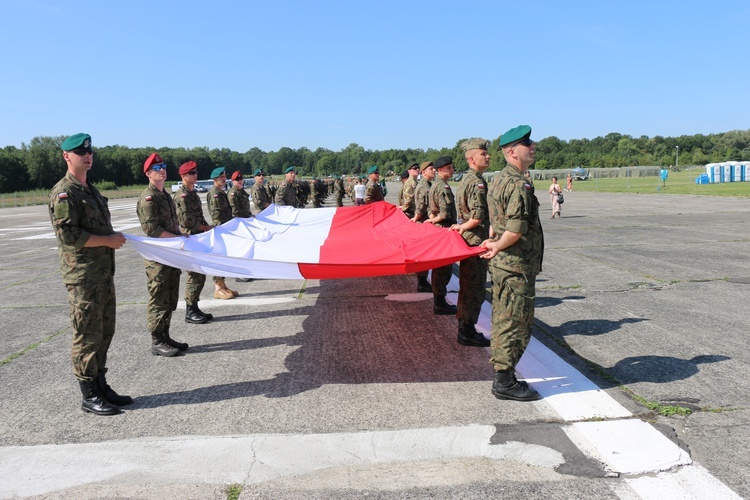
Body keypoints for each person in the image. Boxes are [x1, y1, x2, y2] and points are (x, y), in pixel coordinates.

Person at [48, 133, 129, 416]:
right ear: (66, 156)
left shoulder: (91, 191)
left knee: (105, 331)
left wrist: (112, 237)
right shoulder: (64, 192)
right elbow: (68, 234)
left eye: (90, 152)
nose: (87, 156)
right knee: (86, 334)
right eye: (80, 152)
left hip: (103, 274)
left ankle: (101, 384)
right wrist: (107, 241)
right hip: (83, 277)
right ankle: (89, 393)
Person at [480, 125, 544, 402]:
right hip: (515, 264)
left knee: (503, 318)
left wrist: (494, 238)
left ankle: (503, 375)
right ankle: (504, 381)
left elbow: (497, 220)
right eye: (526, 143)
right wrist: (496, 243)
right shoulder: (517, 183)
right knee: (515, 322)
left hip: (507, 265)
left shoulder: (499, 179)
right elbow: (515, 230)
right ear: (511, 151)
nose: (533, 146)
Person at [136, 153, 188, 358]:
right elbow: (152, 229)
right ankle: (157, 340)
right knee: (159, 298)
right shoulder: (148, 198)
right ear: (148, 173)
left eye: (164, 166)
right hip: (158, 258)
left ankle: (165, 335)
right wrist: (177, 240)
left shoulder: (165, 195)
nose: (162, 170)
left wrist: (179, 237)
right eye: (157, 168)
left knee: (169, 297)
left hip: (170, 255)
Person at [452, 139, 492, 347]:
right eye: (483, 154)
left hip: (469, 240)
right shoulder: (476, 182)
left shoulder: (466, 179)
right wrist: (466, 227)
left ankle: (465, 328)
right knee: (474, 288)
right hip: (475, 241)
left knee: (467, 286)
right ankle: (466, 331)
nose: (488, 156)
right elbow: (476, 218)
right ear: (471, 158)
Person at [173, 161, 219, 321]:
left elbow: (198, 216)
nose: (195, 175)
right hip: (191, 238)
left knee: (200, 275)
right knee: (194, 275)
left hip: (198, 238)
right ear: (183, 176)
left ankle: (195, 307)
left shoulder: (192, 194)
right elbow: (186, 222)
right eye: (191, 173)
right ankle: (189, 311)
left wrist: (206, 227)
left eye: (195, 172)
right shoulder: (182, 195)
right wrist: (206, 228)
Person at [425, 156, 458, 315]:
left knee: (440, 268)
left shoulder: (435, 185)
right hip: (444, 230)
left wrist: (432, 219)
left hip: (439, 229)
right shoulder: (442, 186)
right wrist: (434, 221)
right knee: (443, 269)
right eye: (449, 168)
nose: (452, 171)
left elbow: (432, 210)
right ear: (440, 170)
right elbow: (444, 214)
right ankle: (439, 302)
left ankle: (439, 301)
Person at [207, 167, 239, 298]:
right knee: (218, 258)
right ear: (215, 179)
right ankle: (218, 288)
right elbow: (216, 216)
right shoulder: (214, 194)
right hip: (220, 230)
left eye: (225, 176)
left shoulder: (221, 192)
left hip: (225, 229)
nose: (223, 179)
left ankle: (223, 285)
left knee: (224, 258)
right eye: (221, 177)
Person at [412, 160, 434, 292]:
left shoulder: (427, 184)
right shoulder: (423, 186)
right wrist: (418, 217)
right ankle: (422, 281)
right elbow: (421, 207)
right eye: (431, 169)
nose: (434, 170)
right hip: (423, 223)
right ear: (423, 172)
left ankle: (423, 280)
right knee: (423, 255)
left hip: (426, 222)